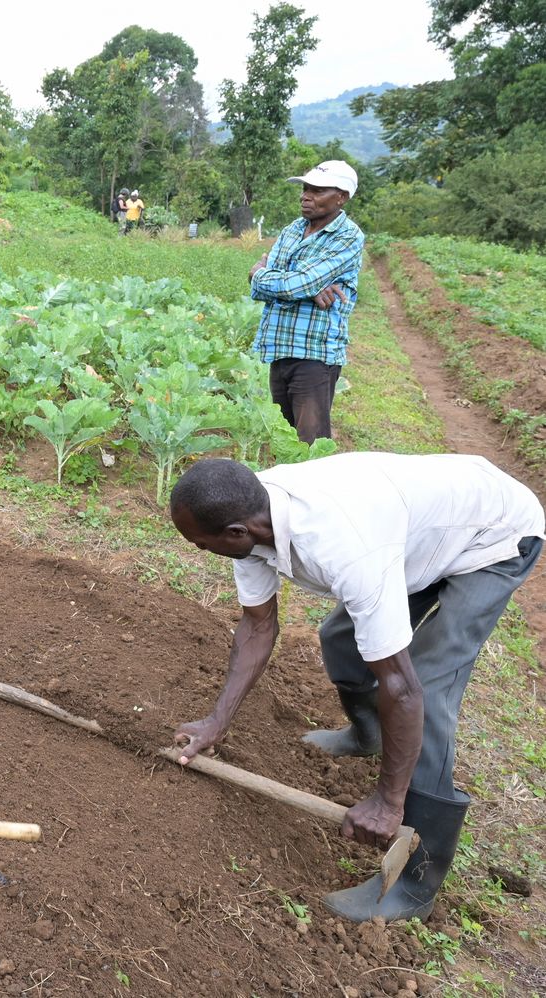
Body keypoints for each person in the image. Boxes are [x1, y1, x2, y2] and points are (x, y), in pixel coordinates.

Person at [168, 454, 543, 923]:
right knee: (341, 638)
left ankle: (415, 883)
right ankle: (370, 736)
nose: (200, 549)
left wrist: (387, 801)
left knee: (427, 685)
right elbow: (258, 627)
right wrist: (216, 721)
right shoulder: (248, 513)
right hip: (417, 532)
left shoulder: (342, 544)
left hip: (494, 535)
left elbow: (402, 689)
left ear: (237, 532)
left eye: (202, 544)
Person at [249, 160, 366, 443]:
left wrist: (261, 274)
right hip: (280, 348)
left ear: (341, 197)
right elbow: (266, 289)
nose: (306, 196)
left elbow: (293, 284)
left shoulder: (348, 236)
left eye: (318, 190)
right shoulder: (292, 230)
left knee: (310, 445)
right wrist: (307, 287)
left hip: (314, 354)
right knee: (284, 441)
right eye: (305, 189)